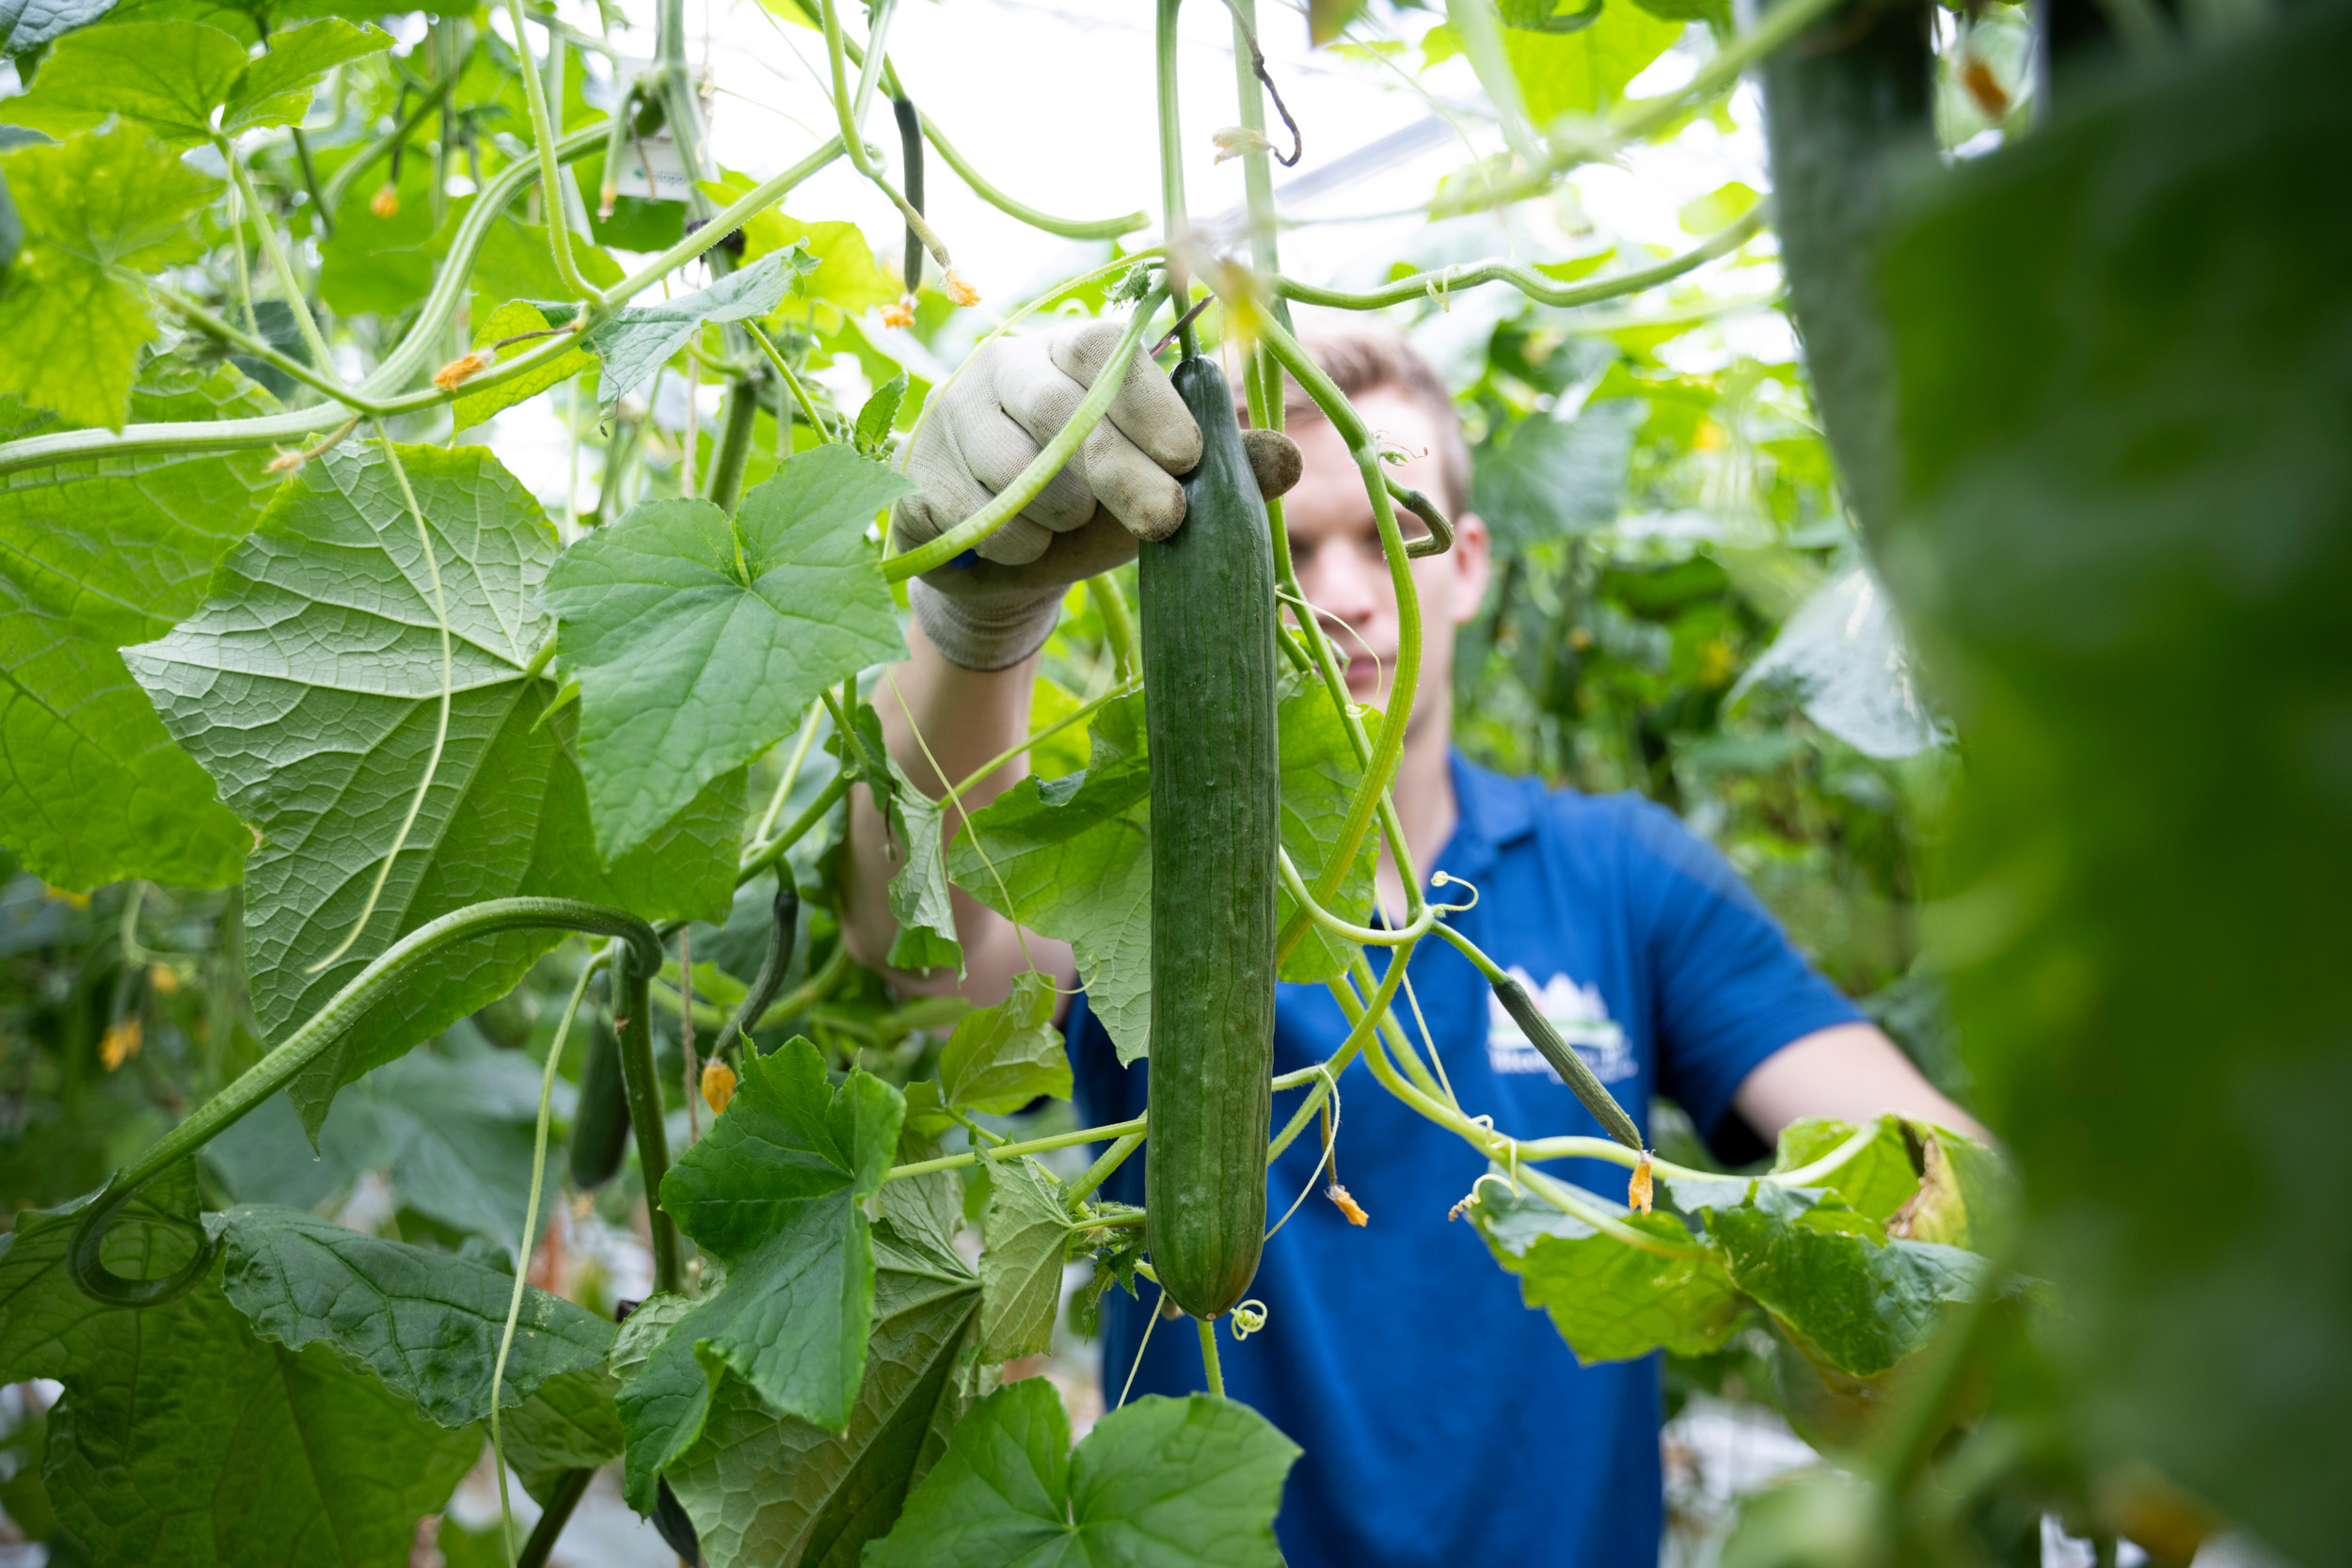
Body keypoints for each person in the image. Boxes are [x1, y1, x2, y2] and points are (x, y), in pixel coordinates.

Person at [840, 316, 1985, 1567]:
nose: (1339, 592)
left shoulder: (1623, 876)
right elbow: (928, 944)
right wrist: (973, 635)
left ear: (1471, 560)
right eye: (1292, 542)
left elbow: (1943, 1170)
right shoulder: (1151, 869)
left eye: (1386, 530)